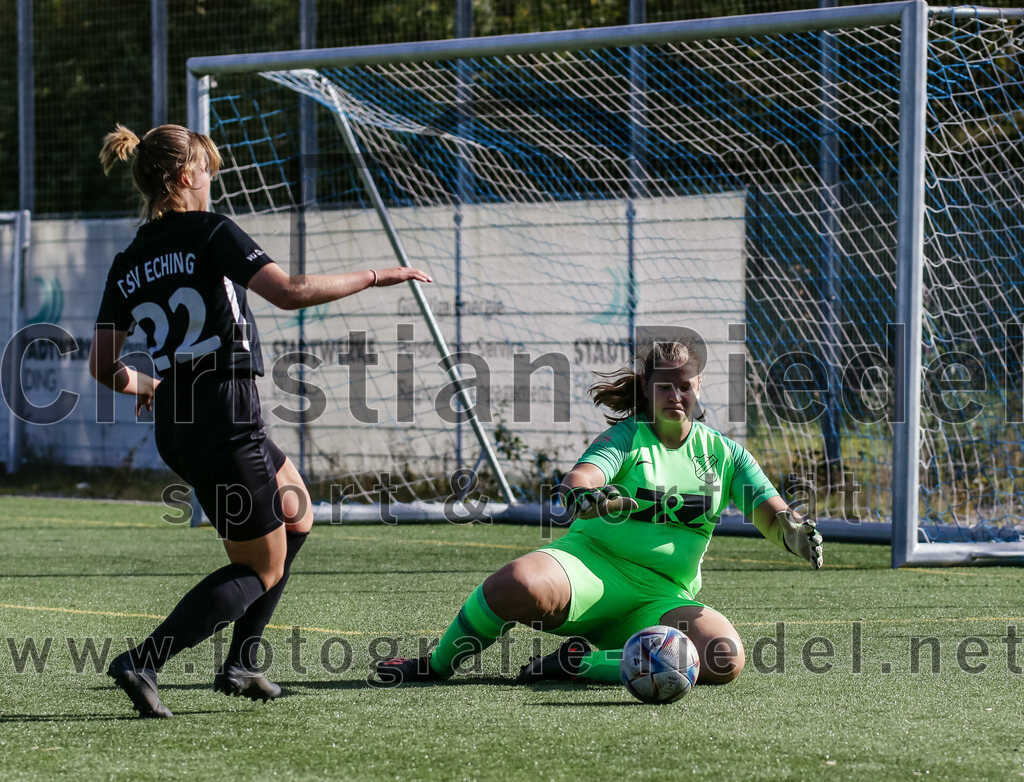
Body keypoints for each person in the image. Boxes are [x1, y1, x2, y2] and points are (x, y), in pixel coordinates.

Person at [91, 123, 432, 717]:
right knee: (260, 567)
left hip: (179, 420)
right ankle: (145, 659)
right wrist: (378, 275)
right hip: (226, 416)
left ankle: (241, 664)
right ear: (186, 176)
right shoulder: (211, 230)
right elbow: (290, 291)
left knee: (296, 514)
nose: (213, 178)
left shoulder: (129, 259)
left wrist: (150, 384)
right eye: (208, 169)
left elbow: (101, 365)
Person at [377, 339, 823, 686]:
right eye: (664, 386)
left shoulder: (727, 455)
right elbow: (580, 478)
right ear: (646, 388)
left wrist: (795, 534)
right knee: (516, 583)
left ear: (698, 386)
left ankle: (578, 663)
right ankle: (436, 665)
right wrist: (587, 497)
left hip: (662, 597)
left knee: (723, 657)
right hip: (590, 571)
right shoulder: (627, 437)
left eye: (685, 386)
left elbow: (774, 516)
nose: (675, 395)